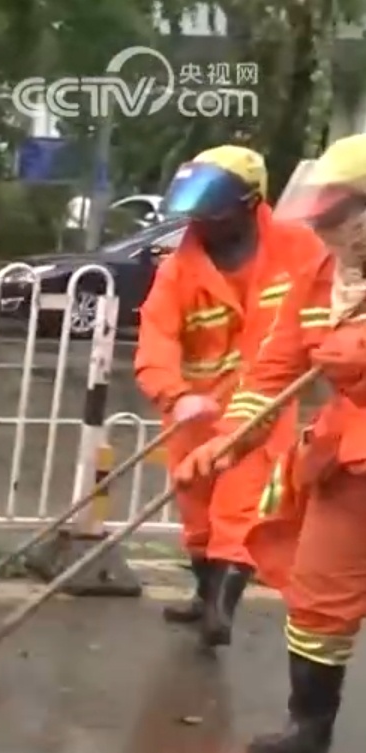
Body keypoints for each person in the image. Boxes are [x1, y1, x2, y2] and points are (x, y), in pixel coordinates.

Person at [174, 134, 366, 753]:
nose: (333, 235)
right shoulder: (321, 277)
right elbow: (274, 368)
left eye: (343, 219)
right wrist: (230, 440)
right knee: (316, 598)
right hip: (348, 464)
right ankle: (309, 726)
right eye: (326, 221)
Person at [134, 145, 323, 649]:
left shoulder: (300, 250)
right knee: (197, 514)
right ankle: (204, 594)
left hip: (261, 408)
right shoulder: (179, 268)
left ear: (248, 203)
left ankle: (221, 611)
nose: (202, 222)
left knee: (240, 508)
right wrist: (174, 396)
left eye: (211, 210)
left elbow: (332, 302)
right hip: (194, 410)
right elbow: (157, 337)